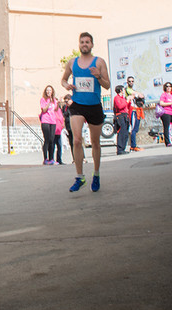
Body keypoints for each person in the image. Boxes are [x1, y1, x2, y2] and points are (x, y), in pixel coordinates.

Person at [61, 32, 111, 193]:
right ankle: (79, 177)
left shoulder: (99, 62)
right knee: (76, 140)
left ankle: (96, 174)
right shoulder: (72, 62)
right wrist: (67, 86)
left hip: (94, 106)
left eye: (87, 42)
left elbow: (107, 85)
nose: (84, 44)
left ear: (92, 45)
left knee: (95, 143)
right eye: (82, 42)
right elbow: (63, 80)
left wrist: (98, 76)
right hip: (77, 105)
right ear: (79, 44)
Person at [39, 85, 58, 165]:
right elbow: (44, 109)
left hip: (53, 121)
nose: (48, 92)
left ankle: (51, 158)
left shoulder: (54, 100)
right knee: (46, 139)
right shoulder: (43, 99)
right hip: (45, 121)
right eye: (47, 90)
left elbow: (55, 109)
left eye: (50, 90)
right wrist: (49, 102)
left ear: (52, 91)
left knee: (52, 140)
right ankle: (45, 159)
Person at [125, 76, 144, 152]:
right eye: (130, 81)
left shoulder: (133, 90)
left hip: (137, 110)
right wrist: (138, 94)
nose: (131, 82)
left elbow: (141, 96)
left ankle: (134, 145)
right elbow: (139, 95)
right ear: (127, 82)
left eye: (132, 81)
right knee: (133, 129)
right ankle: (133, 146)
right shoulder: (128, 90)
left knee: (136, 128)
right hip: (132, 110)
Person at [112, 85, 131, 155]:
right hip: (120, 116)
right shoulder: (116, 98)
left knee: (125, 133)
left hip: (125, 115)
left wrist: (128, 101)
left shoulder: (123, 98)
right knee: (121, 132)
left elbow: (126, 106)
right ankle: (120, 149)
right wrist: (126, 101)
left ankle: (123, 148)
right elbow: (120, 106)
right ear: (120, 90)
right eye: (123, 89)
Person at [52, 98, 66, 164]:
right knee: (52, 146)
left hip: (59, 130)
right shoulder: (51, 110)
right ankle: (52, 159)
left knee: (59, 146)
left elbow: (61, 118)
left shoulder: (59, 110)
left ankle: (59, 159)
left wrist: (62, 125)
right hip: (53, 130)